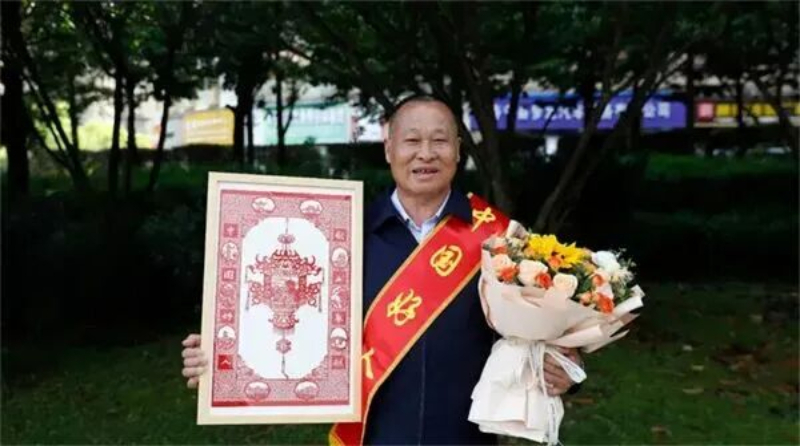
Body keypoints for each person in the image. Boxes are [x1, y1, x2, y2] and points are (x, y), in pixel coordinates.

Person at [181, 94, 582, 445]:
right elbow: (290, 318)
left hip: (466, 438)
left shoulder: (498, 239)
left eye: (440, 140)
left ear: (458, 150)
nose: (426, 153)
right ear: (389, 149)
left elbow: (538, 338)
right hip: (374, 437)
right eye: (412, 140)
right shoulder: (340, 235)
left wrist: (566, 366)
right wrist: (221, 359)